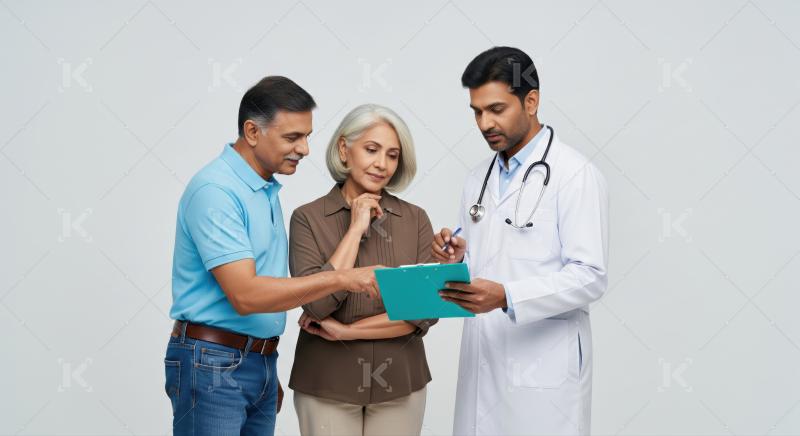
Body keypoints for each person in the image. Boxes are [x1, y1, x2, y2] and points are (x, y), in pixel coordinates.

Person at [164, 76, 380, 436]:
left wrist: (261, 367)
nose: (305, 149)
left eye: (307, 136)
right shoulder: (216, 191)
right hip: (212, 364)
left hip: (254, 361)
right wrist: (343, 278)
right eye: (293, 137)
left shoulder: (263, 189)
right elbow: (246, 295)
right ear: (252, 132)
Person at [432, 47, 609, 435]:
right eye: (477, 112)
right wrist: (458, 255)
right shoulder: (477, 178)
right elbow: (487, 261)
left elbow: (591, 276)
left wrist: (509, 296)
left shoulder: (574, 174)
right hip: (484, 357)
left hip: (543, 370)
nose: (484, 122)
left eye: (496, 109)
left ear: (531, 101)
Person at [289, 104, 437, 436]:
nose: (382, 164)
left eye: (393, 155)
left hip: (401, 383)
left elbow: (423, 312)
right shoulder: (307, 218)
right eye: (371, 149)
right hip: (326, 383)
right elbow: (316, 305)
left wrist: (346, 332)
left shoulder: (415, 220)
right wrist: (355, 229)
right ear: (344, 149)